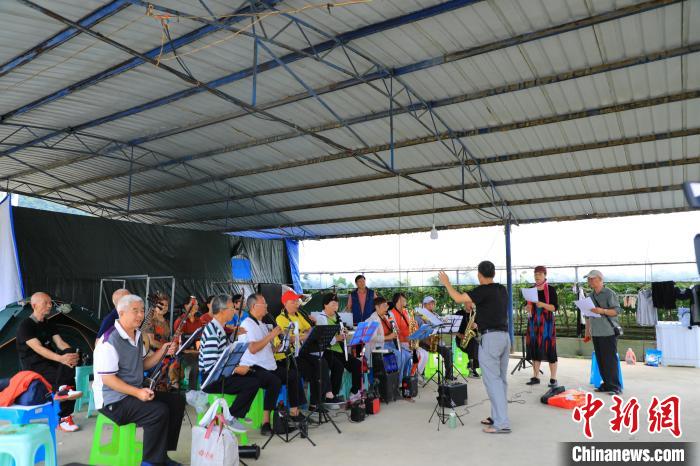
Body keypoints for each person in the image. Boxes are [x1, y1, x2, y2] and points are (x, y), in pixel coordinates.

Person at [93, 295, 185, 466]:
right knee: (158, 411)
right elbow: (108, 379)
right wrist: (137, 392)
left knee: (176, 402)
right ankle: (150, 462)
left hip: (131, 393)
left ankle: (161, 456)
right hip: (112, 401)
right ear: (121, 313)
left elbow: (143, 364)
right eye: (135, 311)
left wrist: (163, 350)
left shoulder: (137, 335)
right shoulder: (109, 341)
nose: (140, 315)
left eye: (142, 310)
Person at [439, 261, 512, 434]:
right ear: (493, 273)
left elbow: (458, 298)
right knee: (500, 380)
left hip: (491, 339)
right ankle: (497, 416)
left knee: (492, 381)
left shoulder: (482, 290)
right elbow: (493, 311)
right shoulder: (501, 289)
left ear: (479, 275)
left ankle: (502, 423)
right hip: (504, 337)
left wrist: (447, 283)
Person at [239, 293, 305, 435]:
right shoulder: (247, 324)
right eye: (264, 304)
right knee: (274, 381)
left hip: (268, 365)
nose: (267, 306)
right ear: (253, 306)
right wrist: (271, 335)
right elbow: (253, 348)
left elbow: (268, 348)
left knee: (293, 374)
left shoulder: (262, 325)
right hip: (254, 367)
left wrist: (280, 346)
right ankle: (266, 422)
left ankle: (294, 411)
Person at [16, 292, 81, 432]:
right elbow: (38, 348)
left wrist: (71, 354)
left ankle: (63, 394)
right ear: (34, 306)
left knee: (68, 365)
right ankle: (64, 417)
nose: (50, 305)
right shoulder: (25, 326)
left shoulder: (49, 323)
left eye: (50, 302)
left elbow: (60, 343)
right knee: (65, 379)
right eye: (45, 303)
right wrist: (61, 359)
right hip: (34, 366)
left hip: (50, 361)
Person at [198, 295, 259, 433]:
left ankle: (237, 411)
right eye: (232, 308)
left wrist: (233, 337)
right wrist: (236, 369)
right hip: (211, 380)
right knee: (251, 383)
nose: (234, 311)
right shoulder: (213, 332)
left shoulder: (218, 327)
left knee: (254, 377)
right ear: (222, 311)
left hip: (219, 375)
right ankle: (231, 416)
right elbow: (210, 366)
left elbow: (223, 352)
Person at [276, 290, 337, 410]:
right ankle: (314, 402)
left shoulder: (299, 315)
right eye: (294, 301)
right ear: (285, 303)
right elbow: (288, 338)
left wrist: (307, 331)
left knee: (321, 362)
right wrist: (303, 335)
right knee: (313, 371)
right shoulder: (280, 319)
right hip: (290, 355)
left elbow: (309, 329)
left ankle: (317, 401)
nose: (297, 303)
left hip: (303, 351)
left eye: (297, 301)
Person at [315, 293, 363, 403]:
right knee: (338, 366)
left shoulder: (337, 317)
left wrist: (344, 332)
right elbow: (323, 338)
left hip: (339, 350)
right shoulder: (321, 318)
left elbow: (341, 333)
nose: (335, 307)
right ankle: (332, 395)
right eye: (333, 304)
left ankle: (354, 392)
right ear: (325, 305)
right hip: (327, 351)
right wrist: (337, 338)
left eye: (336, 305)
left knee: (357, 364)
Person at [584, 270, 623, 395]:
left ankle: (615, 386)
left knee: (610, 360)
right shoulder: (590, 296)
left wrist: (602, 311)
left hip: (608, 331)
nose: (589, 281)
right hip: (596, 331)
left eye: (592, 278)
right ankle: (606, 384)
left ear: (600, 279)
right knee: (600, 360)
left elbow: (617, 311)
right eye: (588, 279)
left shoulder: (609, 293)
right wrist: (587, 331)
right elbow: (587, 315)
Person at [525, 266, 559, 387]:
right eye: (535, 274)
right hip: (533, 323)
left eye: (539, 274)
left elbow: (554, 308)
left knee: (550, 349)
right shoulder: (530, 290)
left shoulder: (551, 289)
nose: (537, 276)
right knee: (535, 348)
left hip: (547, 324)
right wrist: (527, 307)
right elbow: (527, 307)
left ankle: (553, 378)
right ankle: (535, 377)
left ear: (545, 275)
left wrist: (542, 304)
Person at [416, 296, 454, 381]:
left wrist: (444, 323)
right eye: (430, 304)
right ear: (424, 305)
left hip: (435, 341)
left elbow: (441, 328)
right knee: (423, 352)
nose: (432, 305)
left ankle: (449, 376)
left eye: (433, 304)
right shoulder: (419, 316)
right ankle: (421, 374)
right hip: (423, 341)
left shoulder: (436, 315)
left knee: (448, 351)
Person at [389, 293, 423, 382]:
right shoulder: (391, 313)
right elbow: (396, 331)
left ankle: (411, 375)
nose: (405, 301)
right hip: (400, 342)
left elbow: (411, 325)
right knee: (416, 354)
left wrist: (415, 328)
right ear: (398, 301)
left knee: (419, 354)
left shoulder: (405, 311)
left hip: (409, 341)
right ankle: (406, 378)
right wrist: (407, 337)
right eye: (403, 299)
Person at [173, 298, 204, 390]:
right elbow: (179, 342)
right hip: (183, 353)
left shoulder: (199, 321)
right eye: (193, 304)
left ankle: (204, 388)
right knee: (195, 364)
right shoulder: (180, 321)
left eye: (197, 304)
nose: (196, 306)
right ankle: (192, 390)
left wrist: (198, 350)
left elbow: (199, 340)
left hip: (195, 352)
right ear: (186, 306)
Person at [455, 306, 480, 378]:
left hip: (472, 339)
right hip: (461, 340)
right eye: (468, 302)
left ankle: (471, 366)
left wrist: (476, 326)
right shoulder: (458, 313)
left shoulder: (475, 314)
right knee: (474, 344)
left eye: (471, 302)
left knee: (475, 343)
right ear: (464, 303)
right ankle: (472, 368)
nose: (470, 304)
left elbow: (481, 329)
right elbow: (452, 328)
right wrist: (459, 335)